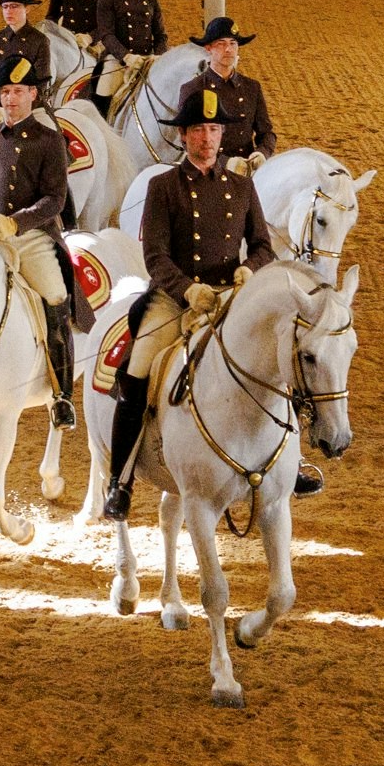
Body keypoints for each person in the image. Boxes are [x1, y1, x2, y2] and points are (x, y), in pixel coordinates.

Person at [97, 96, 273, 517]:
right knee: (138, 369)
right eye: (198, 130)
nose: (207, 138)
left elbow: (264, 246)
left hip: (231, 295)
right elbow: (155, 256)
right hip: (176, 300)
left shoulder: (242, 187)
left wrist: (249, 270)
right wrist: (188, 290)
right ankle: (119, 481)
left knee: (274, 358)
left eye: (213, 130)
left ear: (222, 134)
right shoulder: (163, 187)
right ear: (183, 136)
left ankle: (287, 461)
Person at [0, 48, 82, 427]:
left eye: (17, 91)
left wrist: (14, 223)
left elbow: (54, 199)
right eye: (4, 91)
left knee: (54, 296)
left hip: (30, 237)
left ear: (33, 95)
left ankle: (61, 395)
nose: (9, 98)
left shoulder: (48, 141)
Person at [189, 16, 277, 166]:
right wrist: (226, 162)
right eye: (221, 44)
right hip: (209, 171)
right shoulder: (194, 88)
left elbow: (266, 132)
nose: (228, 49)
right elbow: (190, 141)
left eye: (233, 43)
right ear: (208, 48)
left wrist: (262, 153)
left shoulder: (252, 87)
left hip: (247, 167)